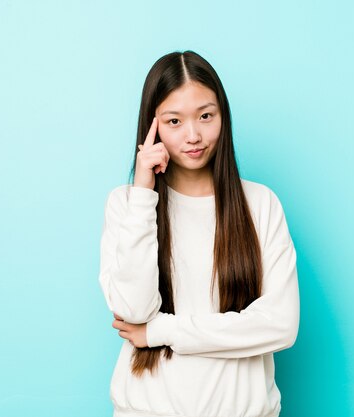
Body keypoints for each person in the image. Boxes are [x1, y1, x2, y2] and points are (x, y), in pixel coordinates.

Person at [99, 50, 300, 417]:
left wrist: (160, 332)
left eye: (206, 116)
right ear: (152, 126)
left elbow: (281, 325)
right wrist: (144, 193)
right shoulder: (127, 204)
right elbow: (133, 309)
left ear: (223, 116)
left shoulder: (260, 204)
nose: (193, 135)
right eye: (174, 121)